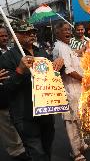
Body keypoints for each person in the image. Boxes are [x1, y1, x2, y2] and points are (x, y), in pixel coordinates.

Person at [0, 20, 64, 161]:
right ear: (14, 36)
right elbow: (6, 90)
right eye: (26, 32)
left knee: (47, 148)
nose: (31, 35)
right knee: (36, 152)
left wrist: (60, 64)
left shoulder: (41, 52)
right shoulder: (6, 58)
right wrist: (19, 70)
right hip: (25, 115)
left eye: (33, 32)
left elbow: (54, 73)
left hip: (46, 111)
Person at [53, 21, 90, 161]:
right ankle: (76, 153)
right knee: (71, 121)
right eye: (64, 30)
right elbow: (68, 70)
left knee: (79, 119)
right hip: (70, 90)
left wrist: (83, 50)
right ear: (57, 33)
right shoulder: (60, 47)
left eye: (69, 30)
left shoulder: (66, 46)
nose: (68, 32)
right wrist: (84, 79)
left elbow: (75, 57)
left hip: (77, 89)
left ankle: (82, 145)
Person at [0, 26, 28, 160]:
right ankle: (18, 153)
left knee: (19, 126)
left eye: (5, 35)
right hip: (2, 100)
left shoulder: (12, 51)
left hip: (15, 96)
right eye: (1, 36)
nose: (4, 38)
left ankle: (24, 149)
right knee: (9, 130)